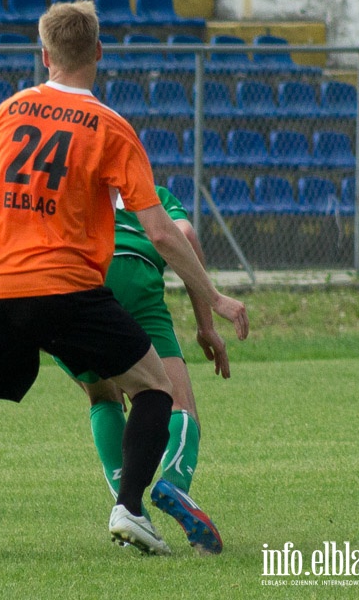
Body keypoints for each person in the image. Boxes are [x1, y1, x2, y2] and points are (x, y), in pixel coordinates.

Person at [0, 0, 248, 556]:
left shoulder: (10, 109)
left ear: (44, 55)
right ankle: (130, 508)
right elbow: (165, 233)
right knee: (155, 388)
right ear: (97, 52)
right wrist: (211, 296)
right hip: (69, 289)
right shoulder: (112, 127)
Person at [56, 184, 230, 554]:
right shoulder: (155, 195)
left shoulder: (69, 189)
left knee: (103, 396)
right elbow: (184, 235)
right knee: (179, 405)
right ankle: (174, 484)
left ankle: (129, 508)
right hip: (140, 281)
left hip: (83, 281)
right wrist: (206, 326)